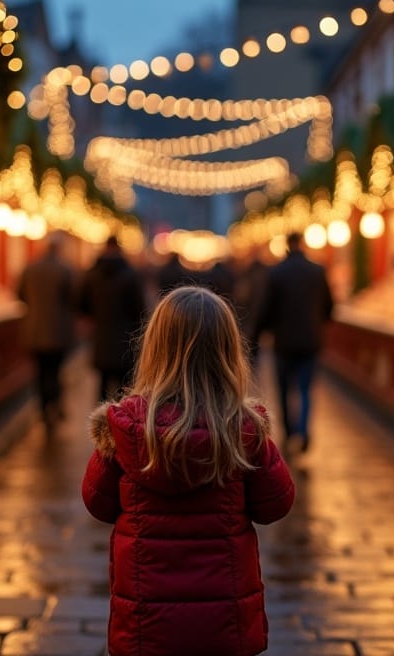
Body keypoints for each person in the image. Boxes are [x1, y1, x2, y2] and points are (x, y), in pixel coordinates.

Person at [82, 286, 295, 656]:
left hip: (146, 624)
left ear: (154, 349)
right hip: (224, 624)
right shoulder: (244, 429)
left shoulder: (125, 428)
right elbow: (276, 504)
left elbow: (97, 503)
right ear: (228, 352)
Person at [257, 232, 333, 451]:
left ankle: (289, 431)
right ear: (302, 244)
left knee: (283, 389)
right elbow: (329, 306)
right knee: (306, 389)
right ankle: (303, 429)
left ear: (287, 245)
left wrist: (259, 333)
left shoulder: (276, 272)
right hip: (311, 340)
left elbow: (267, 308)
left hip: (283, 341)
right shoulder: (317, 271)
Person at [78, 236, 146, 403]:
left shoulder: (92, 274)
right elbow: (140, 310)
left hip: (101, 337)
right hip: (125, 339)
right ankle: (121, 425)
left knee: (102, 384)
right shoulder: (130, 275)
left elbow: (81, 304)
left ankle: (101, 423)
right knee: (124, 388)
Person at [17, 232, 75, 424]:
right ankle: (55, 404)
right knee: (56, 370)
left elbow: (20, 295)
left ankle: (42, 407)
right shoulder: (65, 269)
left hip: (34, 330)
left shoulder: (29, 268)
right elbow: (72, 299)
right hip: (58, 330)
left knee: (40, 371)